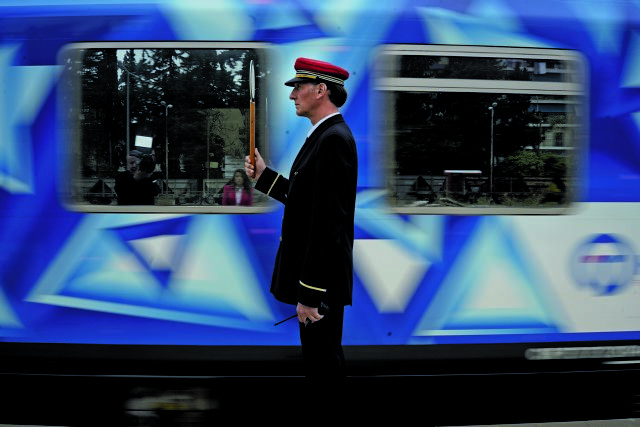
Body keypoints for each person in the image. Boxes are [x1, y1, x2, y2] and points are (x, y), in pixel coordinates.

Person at [244, 57, 357, 412]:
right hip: (319, 284)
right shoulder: (323, 136)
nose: (292, 95)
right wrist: (264, 176)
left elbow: (327, 224)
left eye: (298, 87)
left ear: (321, 90)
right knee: (321, 368)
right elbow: (307, 201)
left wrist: (309, 294)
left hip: (319, 287)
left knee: (324, 371)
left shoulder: (332, 140)